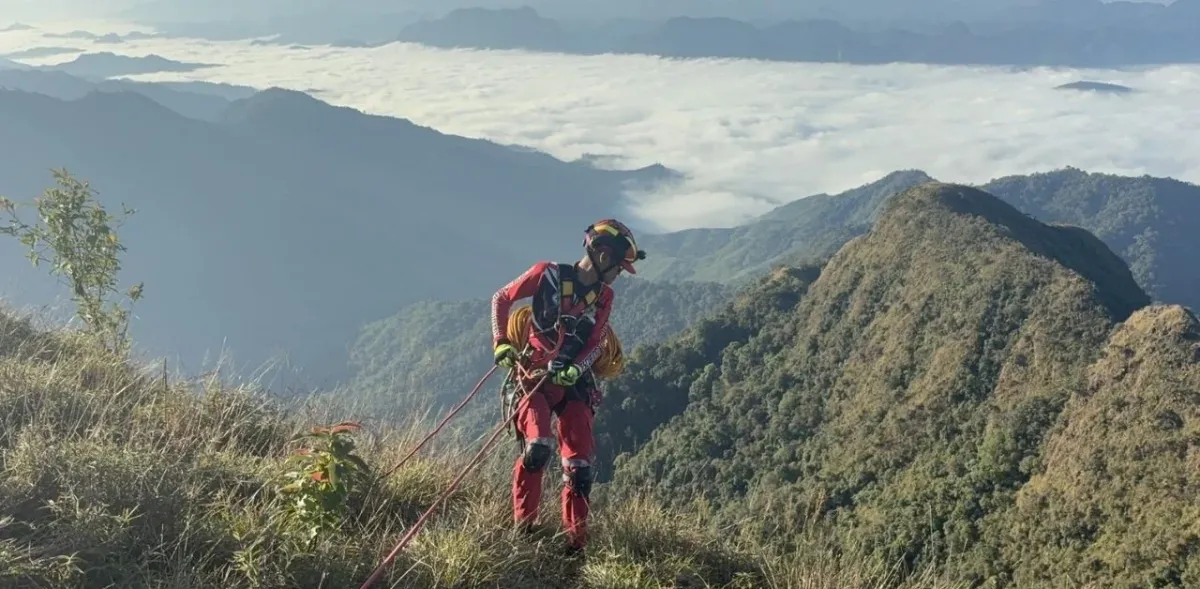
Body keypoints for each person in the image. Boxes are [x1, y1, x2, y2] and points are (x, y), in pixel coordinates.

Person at [489, 218, 646, 554]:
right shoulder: (546, 273)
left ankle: (575, 545)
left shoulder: (604, 297)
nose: (620, 274)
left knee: (580, 469)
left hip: (572, 382)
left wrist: (575, 370)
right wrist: (501, 341)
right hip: (533, 376)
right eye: (619, 266)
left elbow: (595, 341)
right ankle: (524, 531)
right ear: (603, 255)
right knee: (538, 448)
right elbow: (502, 298)